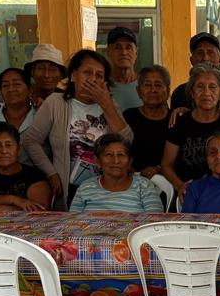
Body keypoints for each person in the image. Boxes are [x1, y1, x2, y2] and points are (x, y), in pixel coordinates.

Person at [21, 48, 132, 205]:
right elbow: (30, 141)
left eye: (99, 75)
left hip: (108, 190)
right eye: (87, 72)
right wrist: (51, 173)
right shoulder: (55, 102)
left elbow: (127, 142)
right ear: (73, 75)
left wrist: (106, 104)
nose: (93, 79)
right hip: (70, 190)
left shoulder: (110, 104)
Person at [162, 64, 220, 203]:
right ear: (192, 93)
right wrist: (179, 185)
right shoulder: (181, 123)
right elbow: (166, 164)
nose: (206, 93)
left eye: (212, 87)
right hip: (191, 196)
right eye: (200, 87)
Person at [69, 133, 162, 213]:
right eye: (109, 154)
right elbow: (72, 221)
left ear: (130, 162)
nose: (116, 161)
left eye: (121, 155)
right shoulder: (85, 187)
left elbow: (155, 221)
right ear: (97, 161)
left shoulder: (144, 186)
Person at [124, 64, 171, 177]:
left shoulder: (176, 119)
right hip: (133, 180)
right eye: (147, 85)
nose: (153, 90)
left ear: (168, 91)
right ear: (138, 91)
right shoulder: (128, 116)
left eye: (158, 85)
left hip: (168, 181)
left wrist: (158, 169)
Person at [169, 33, 220, 110]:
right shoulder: (180, 94)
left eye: (210, 53)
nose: (205, 58)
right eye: (200, 53)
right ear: (191, 60)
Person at [105, 27, 142, 110]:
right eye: (117, 47)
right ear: (108, 52)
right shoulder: (102, 87)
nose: (124, 52)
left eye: (128, 47)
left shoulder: (148, 86)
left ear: (136, 53)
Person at [24, 43, 65, 110]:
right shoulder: (23, 97)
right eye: (41, 68)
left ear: (61, 75)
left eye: (52, 69)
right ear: (32, 72)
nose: (46, 75)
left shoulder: (66, 99)